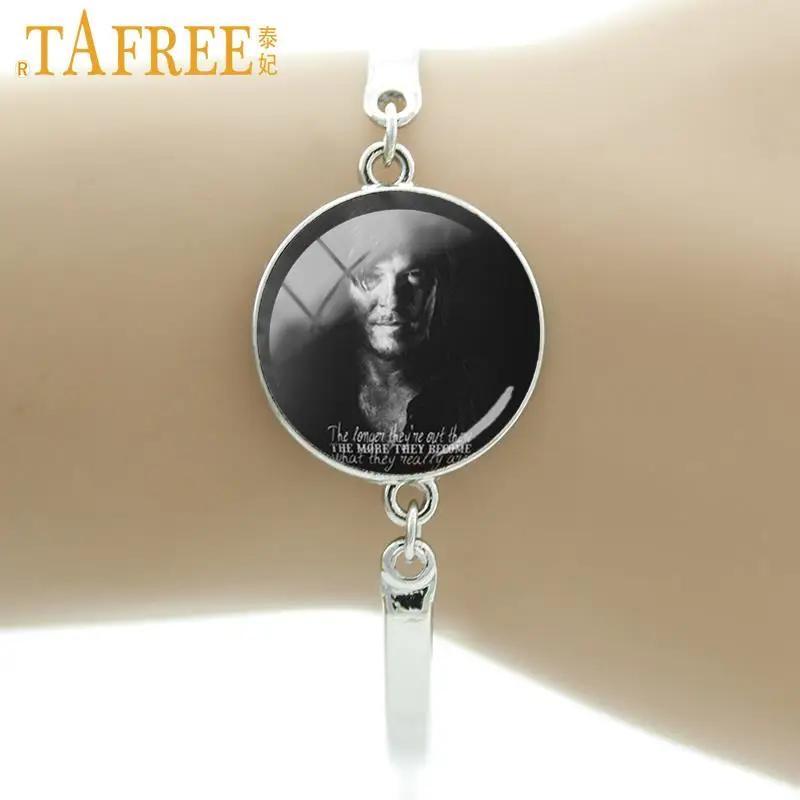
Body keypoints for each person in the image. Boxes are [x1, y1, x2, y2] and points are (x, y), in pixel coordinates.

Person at [269, 209, 509, 467]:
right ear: (347, 290)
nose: (392, 300)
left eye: (413, 275)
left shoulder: (480, 391)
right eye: (370, 277)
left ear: (436, 288)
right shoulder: (306, 387)